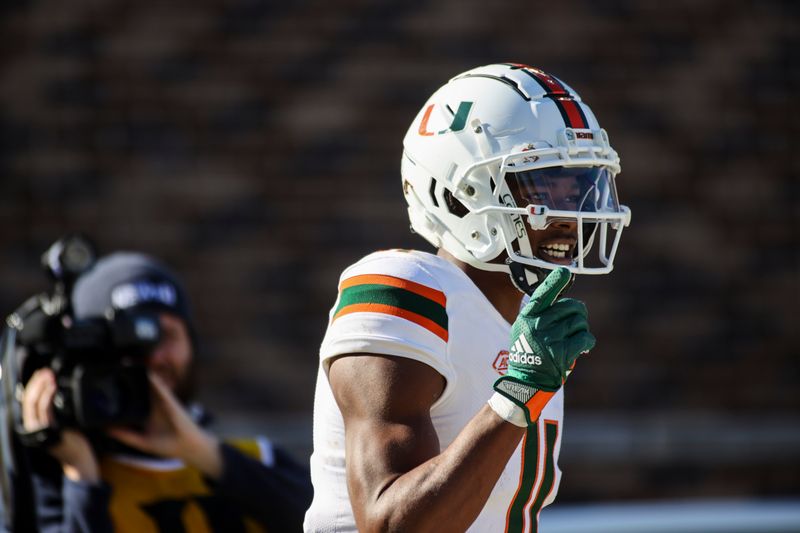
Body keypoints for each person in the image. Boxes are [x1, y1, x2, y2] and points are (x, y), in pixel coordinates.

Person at [303, 63, 631, 532]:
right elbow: (391, 523)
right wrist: (517, 394)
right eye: (546, 185)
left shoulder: (526, 326)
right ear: (459, 193)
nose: (571, 213)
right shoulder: (403, 286)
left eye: (580, 186)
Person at [19, 251, 312, 532]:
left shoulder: (258, 459)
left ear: (192, 343)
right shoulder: (57, 478)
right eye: (132, 341)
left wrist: (205, 454)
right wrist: (81, 476)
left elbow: (334, 524)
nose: (155, 357)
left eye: (168, 334)